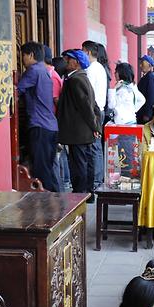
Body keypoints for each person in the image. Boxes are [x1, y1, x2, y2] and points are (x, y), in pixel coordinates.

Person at [17, 41, 60, 191]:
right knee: (47, 168)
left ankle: (53, 203)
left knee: (41, 170)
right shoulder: (43, 70)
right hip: (50, 126)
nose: (22, 59)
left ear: (31, 55)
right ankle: (58, 201)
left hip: (40, 126)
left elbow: (16, 92)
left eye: (23, 55)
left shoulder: (33, 70)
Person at [57, 49, 99, 197]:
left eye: (69, 60)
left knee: (79, 163)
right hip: (82, 130)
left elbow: (86, 107)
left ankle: (81, 193)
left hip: (79, 131)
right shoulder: (80, 78)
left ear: (77, 63)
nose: (66, 62)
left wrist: (95, 126)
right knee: (84, 161)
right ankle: (88, 192)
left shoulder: (76, 80)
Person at [82, 40, 109, 190]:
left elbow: (88, 93)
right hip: (99, 110)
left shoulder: (93, 69)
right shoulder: (98, 67)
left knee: (94, 146)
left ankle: (96, 180)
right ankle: (97, 179)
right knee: (96, 146)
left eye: (83, 51)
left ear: (88, 52)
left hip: (95, 111)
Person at [136, 54, 154, 124]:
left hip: (145, 113)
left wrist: (147, 114)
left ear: (149, 65)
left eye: (142, 64)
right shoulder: (147, 76)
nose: (140, 66)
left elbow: (151, 96)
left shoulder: (151, 77)